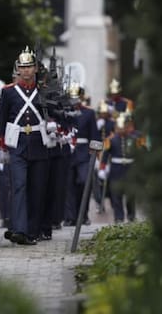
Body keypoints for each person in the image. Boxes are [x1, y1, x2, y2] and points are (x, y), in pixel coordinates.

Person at [0, 46, 52, 246]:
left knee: (37, 189)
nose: (26, 71)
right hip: (17, 144)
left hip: (38, 143)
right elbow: (2, 119)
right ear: (18, 69)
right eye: (23, 67)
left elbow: (55, 113)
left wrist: (55, 125)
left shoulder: (43, 90)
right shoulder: (9, 92)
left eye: (29, 67)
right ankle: (19, 230)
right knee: (19, 186)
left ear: (35, 68)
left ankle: (32, 231)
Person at [65, 84, 101, 227]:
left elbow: (95, 135)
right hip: (67, 151)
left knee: (84, 182)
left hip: (84, 152)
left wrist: (96, 154)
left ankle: (83, 214)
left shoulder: (88, 113)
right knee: (68, 186)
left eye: (76, 98)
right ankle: (70, 217)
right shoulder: (64, 112)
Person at [100, 111, 147, 222]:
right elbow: (105, 154)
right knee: (116, 195)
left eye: (124, 126)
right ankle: (119, 218)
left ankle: (131, 216)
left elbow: (143, 152)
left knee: (130, 195)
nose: (121, 129)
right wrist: (102, 168)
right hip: (116, 170)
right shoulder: (110, 140)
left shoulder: (134, 139)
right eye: (119, 127)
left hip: (130, 170)